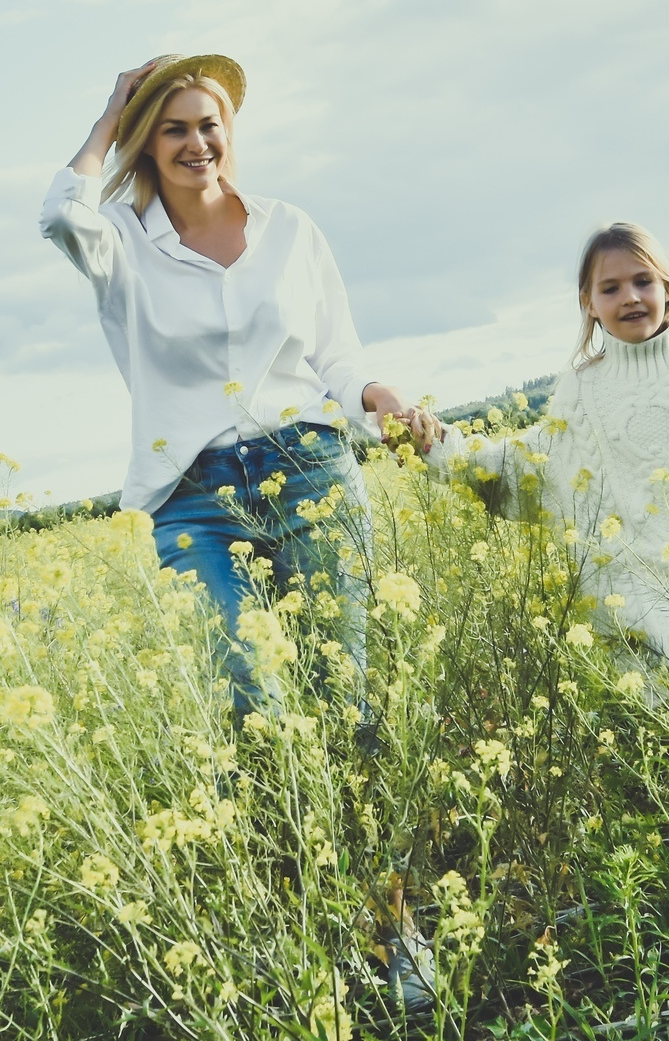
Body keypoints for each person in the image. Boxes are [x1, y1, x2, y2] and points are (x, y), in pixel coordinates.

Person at [419, 222, 669, 913]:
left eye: (643, 281)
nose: (630, 296)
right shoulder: (579, 390)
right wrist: (442, 449)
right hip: (643, 580)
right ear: (588, 302)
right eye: (610, 286)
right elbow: (533, 467)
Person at [40, 54, 443, 724]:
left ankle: (351, 828)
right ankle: (277, 829)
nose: (197, 143)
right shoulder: (117, 242)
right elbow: (59, 215)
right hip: (192, 499)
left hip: (310, 475)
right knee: (249, 697)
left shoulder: (288, 228)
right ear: (146, 141)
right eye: (173, 129)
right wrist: (111, 114)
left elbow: (336, 357)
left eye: (209, 124)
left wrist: (383, 398)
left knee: (340, 690)